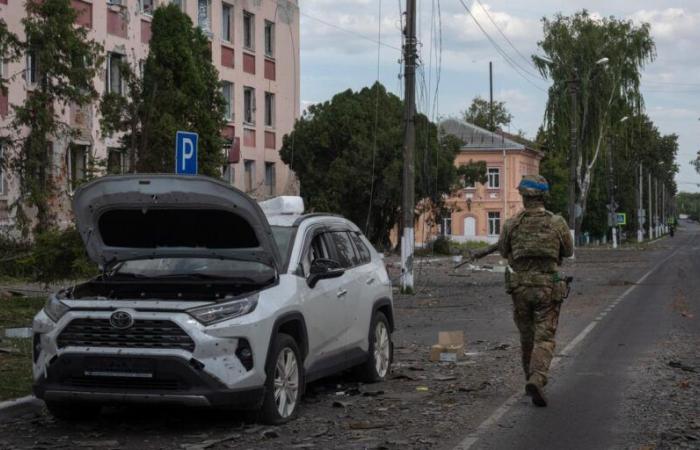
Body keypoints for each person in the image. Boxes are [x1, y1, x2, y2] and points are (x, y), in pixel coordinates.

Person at [497, 175, 574, 407]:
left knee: (527, 338)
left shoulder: (511, 223)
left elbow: (503, 251)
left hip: (520, 288)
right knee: (545, 337)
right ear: (543, 196)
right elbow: (568, 251)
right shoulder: (556, 222)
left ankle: (528, 380)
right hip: (547, 289)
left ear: (523, 196)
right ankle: (537, 378)